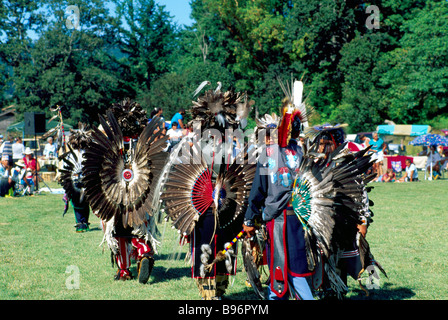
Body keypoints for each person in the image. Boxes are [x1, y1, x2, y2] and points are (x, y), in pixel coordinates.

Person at [243, 112, 315, 300]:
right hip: (303, 217)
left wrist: (249, 218)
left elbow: (258, 190)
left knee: (283, 269)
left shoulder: (269, 154)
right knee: (297, 265)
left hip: (280, 221)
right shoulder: (301, 152)